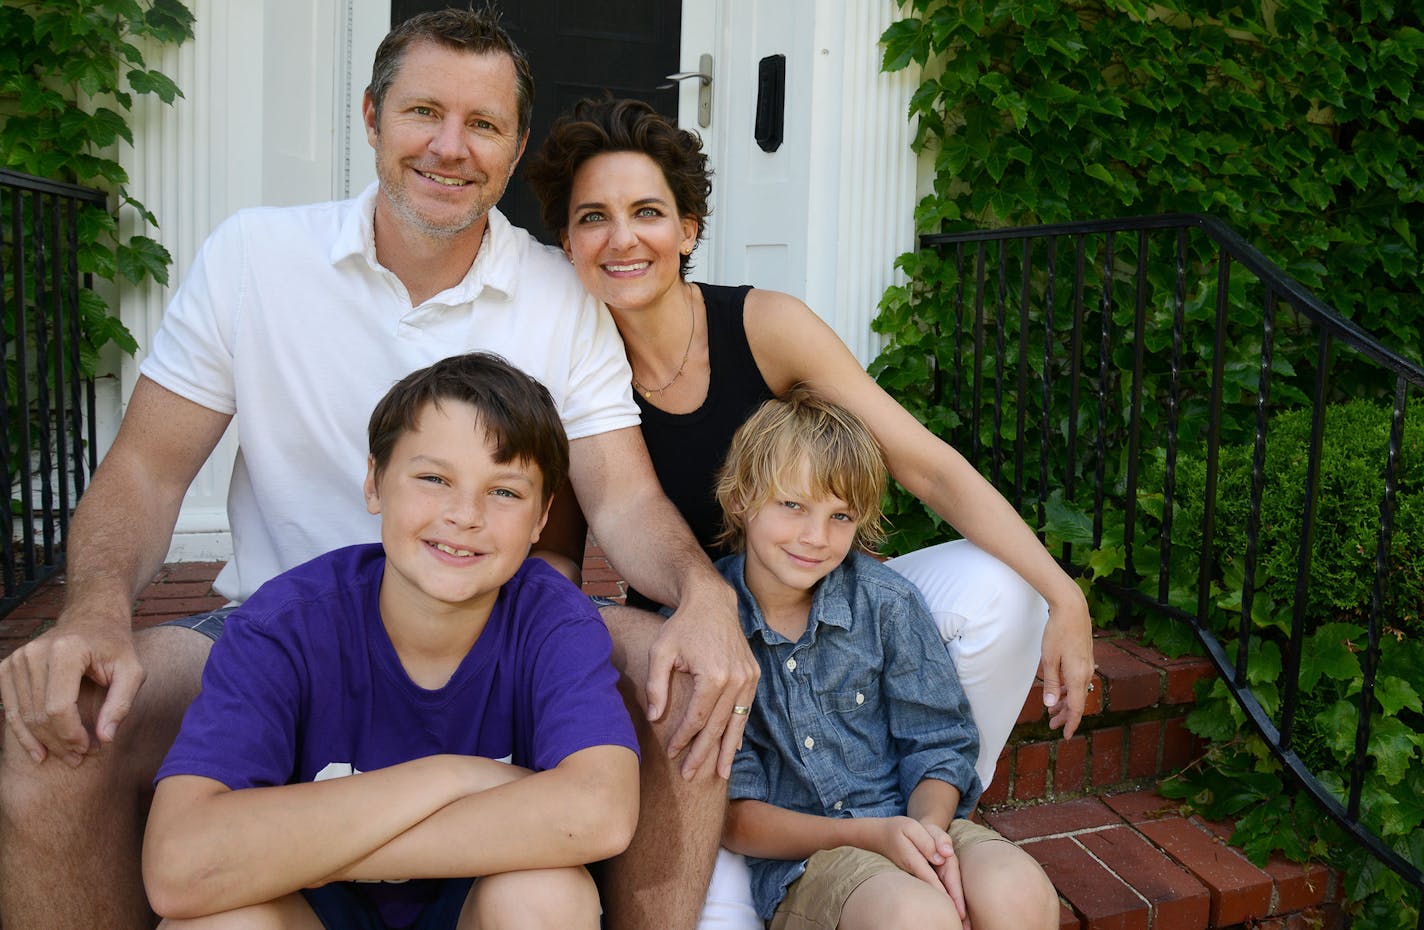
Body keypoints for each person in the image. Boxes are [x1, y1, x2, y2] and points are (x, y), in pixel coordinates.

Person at [0, 12, 756, 930]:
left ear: (515, 148)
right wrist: (93, 612)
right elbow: (148, 472)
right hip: (270, 627)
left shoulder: (561, 293)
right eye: (422, 113)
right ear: (370, 117)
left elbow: (625, 496)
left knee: (691, 687)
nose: (450, 147)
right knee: (48, 723)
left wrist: (703, 599)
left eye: (482, 125)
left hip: (494, 618)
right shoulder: (255, 256)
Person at [525, 96, 1094, 926]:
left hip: (826, 612)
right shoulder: (566, 370)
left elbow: (922, 464)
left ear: (687, 228)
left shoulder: (763, 326)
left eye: (647, 212)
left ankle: (929, 816)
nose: (622, 239)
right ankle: (833, 862)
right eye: (592, 218)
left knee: (998, 591)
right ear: (567, 242)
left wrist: (1064, 593)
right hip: (704, 673)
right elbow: (558, 567)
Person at [143, 352, 640, 929]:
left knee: (547, 894)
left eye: (505, 492)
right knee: (214, 923)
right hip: (313, 914)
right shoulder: (284, 625)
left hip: (470, 910)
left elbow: (599, 812)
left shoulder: (552, 620)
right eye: (433, 479)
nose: (464, 515)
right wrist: (453, 775)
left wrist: (308, 854)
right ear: (375, 483)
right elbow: (178, 866)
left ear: (540, 519)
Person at [716, 389, 1059, 930]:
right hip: (811, 860)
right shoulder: (714, 625)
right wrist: (870, 837)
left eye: (840, 516)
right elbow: (735, 818)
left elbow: (939, 743)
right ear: (741, 498)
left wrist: (927, 835)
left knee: (1018, 891)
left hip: (907, 817)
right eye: (793, 505)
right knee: (914, 917)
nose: (815, 537)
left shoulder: (885, 603)